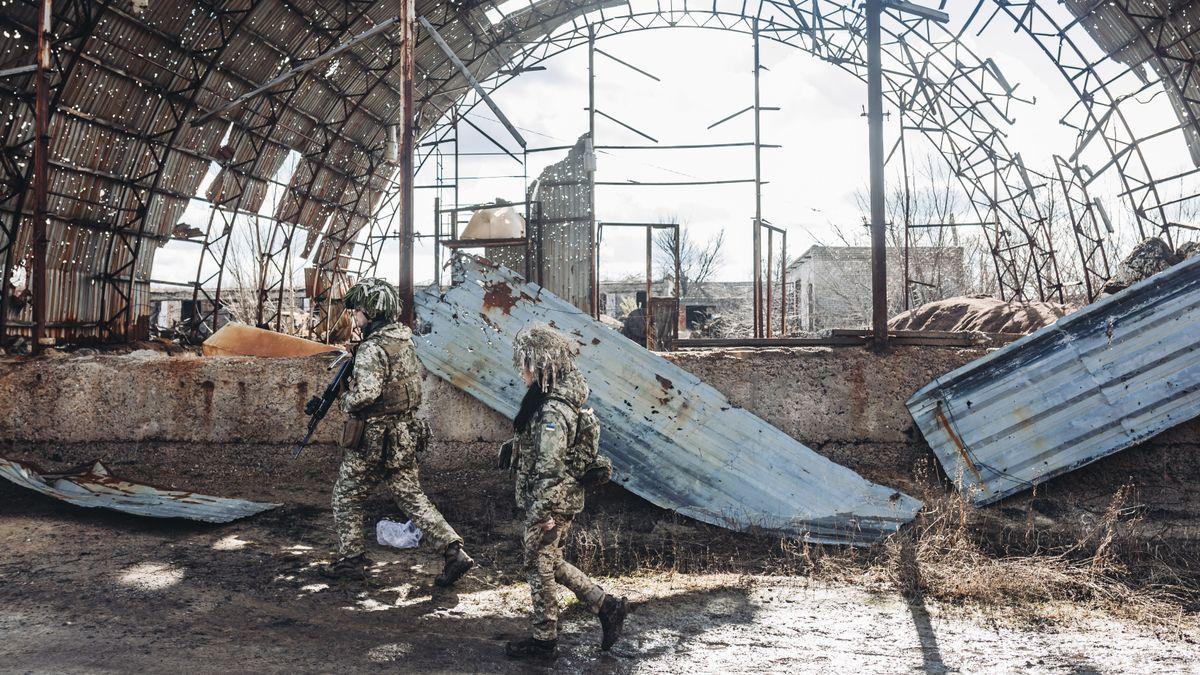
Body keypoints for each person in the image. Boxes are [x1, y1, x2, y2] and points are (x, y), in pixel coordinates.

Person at [312, 278, 474, 586]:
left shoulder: (373, 348)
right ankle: (454, 552)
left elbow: (368, 394)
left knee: (345, 496)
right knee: (412, 498)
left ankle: (352, 559)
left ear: (371, 313)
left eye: (358, 312)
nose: (356, 318)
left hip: (374, 439)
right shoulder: (403, 339)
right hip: (403, 435)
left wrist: (345, 400)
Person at [500, 322, 629, 659]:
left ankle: (545, 640)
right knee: (549, 561)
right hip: (556, 498)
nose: (521, 371)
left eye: (526, 364)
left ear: (542, 365)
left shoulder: (553, 410)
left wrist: (542, 514)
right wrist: (514, 448)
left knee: (538, 563)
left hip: (552, 502)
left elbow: (550, 465)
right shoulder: (546, 401)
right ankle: (607, 606)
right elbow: (541, 451)